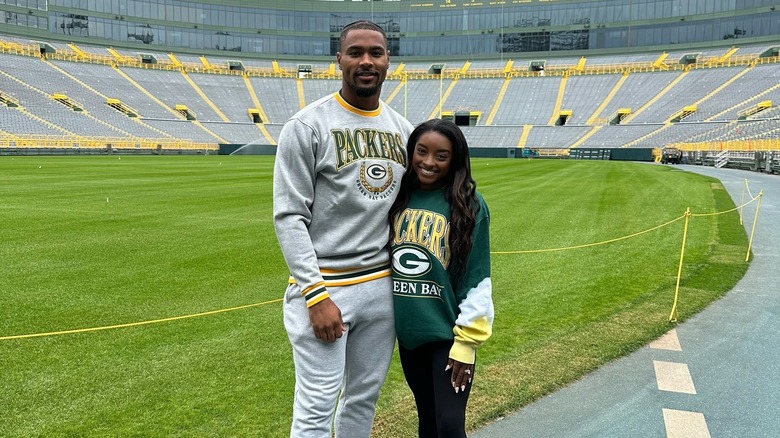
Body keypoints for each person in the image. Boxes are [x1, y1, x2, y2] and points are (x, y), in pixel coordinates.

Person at [272, 20, 413, 438]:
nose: (366, 61)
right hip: (327, 288)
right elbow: (289, 216)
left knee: (363, 401)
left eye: (376, 53)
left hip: (382, 289)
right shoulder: (307, 126)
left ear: (389, 61)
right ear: (339, 59)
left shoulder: (404, 131)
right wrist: (315, 295)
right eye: (356, 52)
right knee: (316, 406)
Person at [388, 119, 494, 438]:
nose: (429, 162)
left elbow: (478, 277)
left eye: (441, 155)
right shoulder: (399, 198)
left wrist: (466, 342)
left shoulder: (470, 206)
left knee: (449, 427)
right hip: (410, 335)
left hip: (448, 336)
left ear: (455, 159)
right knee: (428, 421)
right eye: (422, 151)